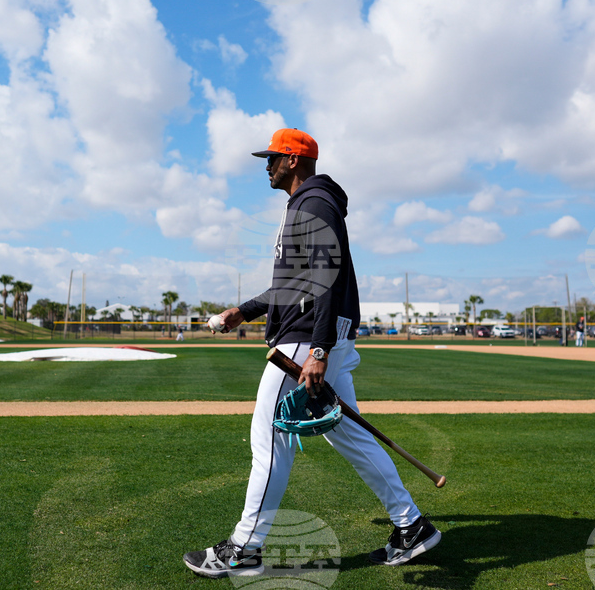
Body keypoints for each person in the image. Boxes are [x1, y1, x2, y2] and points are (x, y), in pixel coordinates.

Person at [183, 128, 440, 579]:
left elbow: (326, 278)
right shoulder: (305, 205)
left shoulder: (314, 203)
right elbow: (293, 284)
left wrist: (318, 350)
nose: (267, 165)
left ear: (294, 161)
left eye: (273, 158)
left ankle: (244, 548)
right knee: (352, 435)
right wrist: (243, 312)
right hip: (318, 335)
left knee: (271, 439)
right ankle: (411, 526)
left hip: (306, 339)